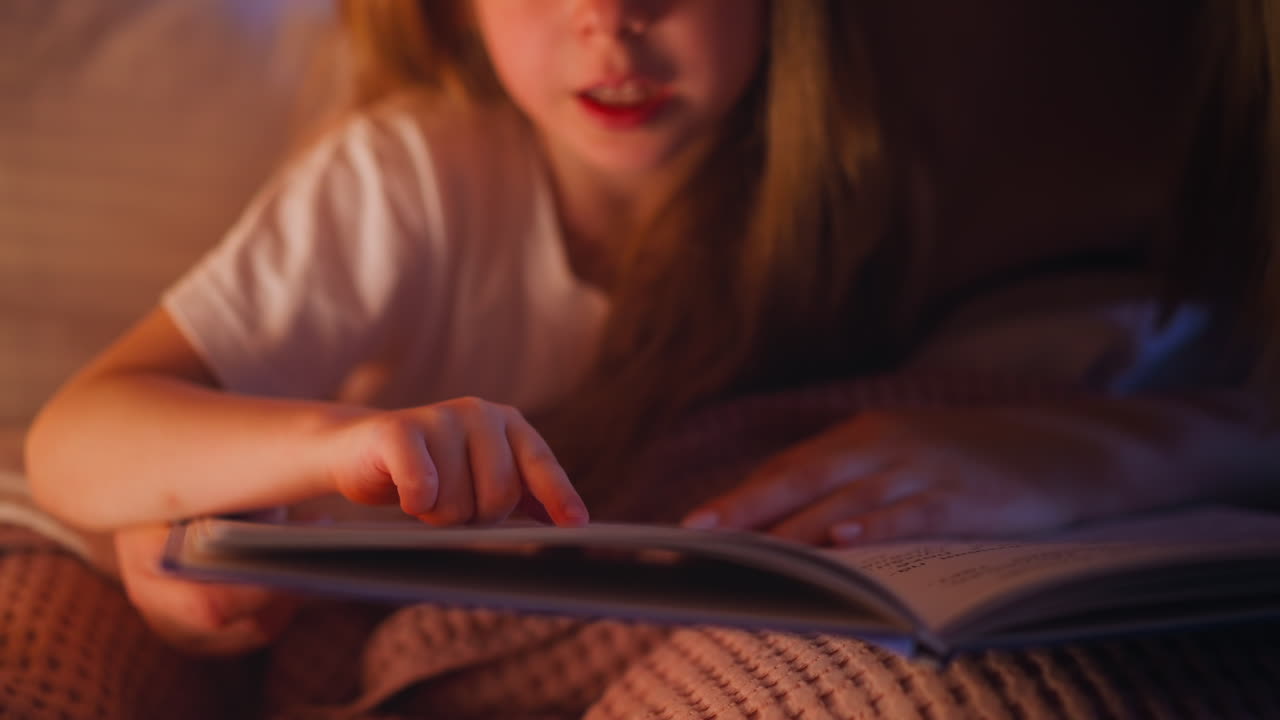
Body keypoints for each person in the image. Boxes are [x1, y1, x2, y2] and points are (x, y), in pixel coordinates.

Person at [24, 0, 1278, 656]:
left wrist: (1068, 456)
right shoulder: (415, 177)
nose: (610, 19)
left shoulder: (856, 188)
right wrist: (317, 455)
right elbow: (78, 436)